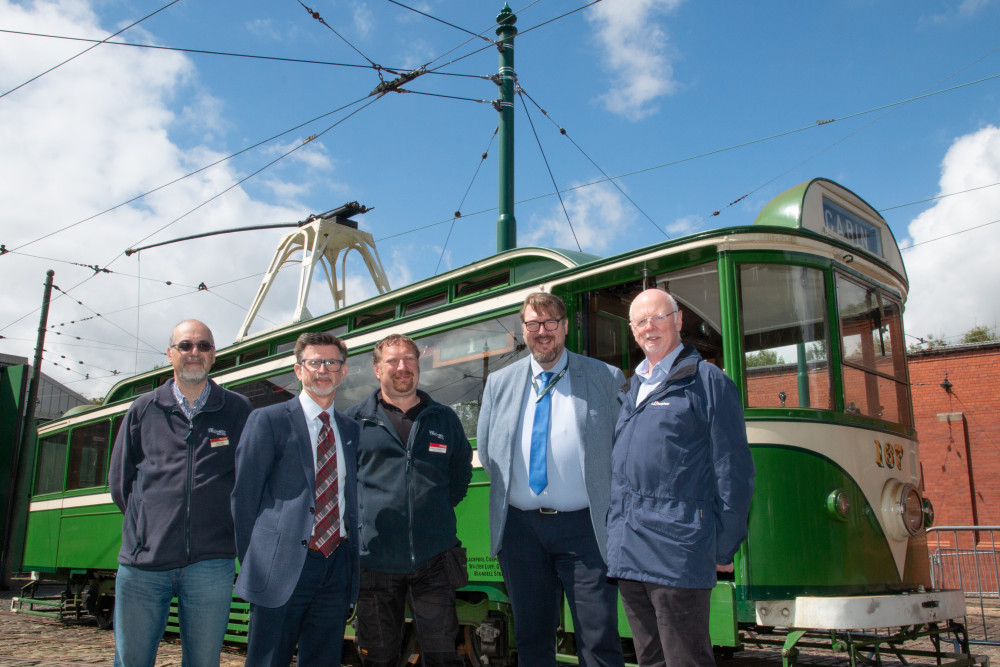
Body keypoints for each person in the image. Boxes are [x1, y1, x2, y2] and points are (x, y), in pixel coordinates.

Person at [606, 288, 755, 667]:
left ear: (678, 320)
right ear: (632, 330)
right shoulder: (631, 387)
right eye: (641, 321)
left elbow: (733, 470)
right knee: (650, 658)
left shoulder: (707, 381)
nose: (649, 327)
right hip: (630, 548)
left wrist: (723, 545)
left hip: (678, 550)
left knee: (685, 659)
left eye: (658, 317)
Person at [477, 292, 626, 667]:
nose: (542, 332)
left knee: (599, 638)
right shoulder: (499, 383)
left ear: (564, 327)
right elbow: (488, 449)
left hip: (585, 529)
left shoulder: (604, 378)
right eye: (533, 324)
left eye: (550, 323)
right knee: (531, 639)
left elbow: (623, 451)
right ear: (522, 330)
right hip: (521, 532)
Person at [109, 319, 253, 667]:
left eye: (203, 346)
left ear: (214, 355)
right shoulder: (143, 409)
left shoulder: (237, 410)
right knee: (132, 660)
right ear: (170, 354)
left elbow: (247, 481)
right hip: (144, 565)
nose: (195, 352)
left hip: (211, 564)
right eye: (186, 345)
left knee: (204, 662)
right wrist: (148, 529)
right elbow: (120, 483)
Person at [231, 332, 360, 667]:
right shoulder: (267, 420)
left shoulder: (350, 430)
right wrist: (258, 563)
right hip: (279, 566)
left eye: (332, 362)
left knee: (323, 659)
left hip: (336, 565)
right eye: (313, 362)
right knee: (268, 659)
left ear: (343, 372)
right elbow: (244, 497)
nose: (323, 369)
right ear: (298, 370)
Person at [345, 334, 472, 667]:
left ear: (419, 364)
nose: (402, 367)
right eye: (392, 361)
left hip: (434, 559)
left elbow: (459, 477)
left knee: (443, 656)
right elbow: (344, 485)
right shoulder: (354, 422)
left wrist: (432, 513)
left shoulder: (444, 418)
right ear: (377, 369)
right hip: (375, 562)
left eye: (410, 359)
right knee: (378, 659)